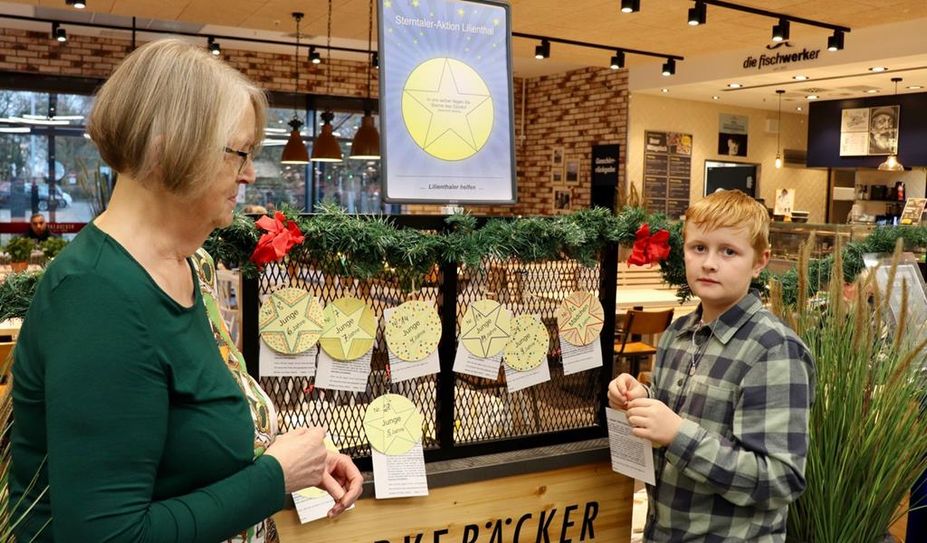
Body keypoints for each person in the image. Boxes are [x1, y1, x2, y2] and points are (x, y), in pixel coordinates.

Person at [10, 39, 363, 543]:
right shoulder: (96, 297)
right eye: (239, 152)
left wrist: (287, 456)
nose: (248, 173)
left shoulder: (190, 266)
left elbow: (188, 438)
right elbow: (108, 535)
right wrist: (274, 477)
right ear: (165, 146)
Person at [608, 189, 815, 542]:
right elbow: (683, 409)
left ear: (760, 261)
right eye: (698, 248)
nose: (709, 263)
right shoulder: (677, 334)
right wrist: (639, 399)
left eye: (729, 251)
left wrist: (677, 435)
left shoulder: (774, 350)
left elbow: (779, 480)